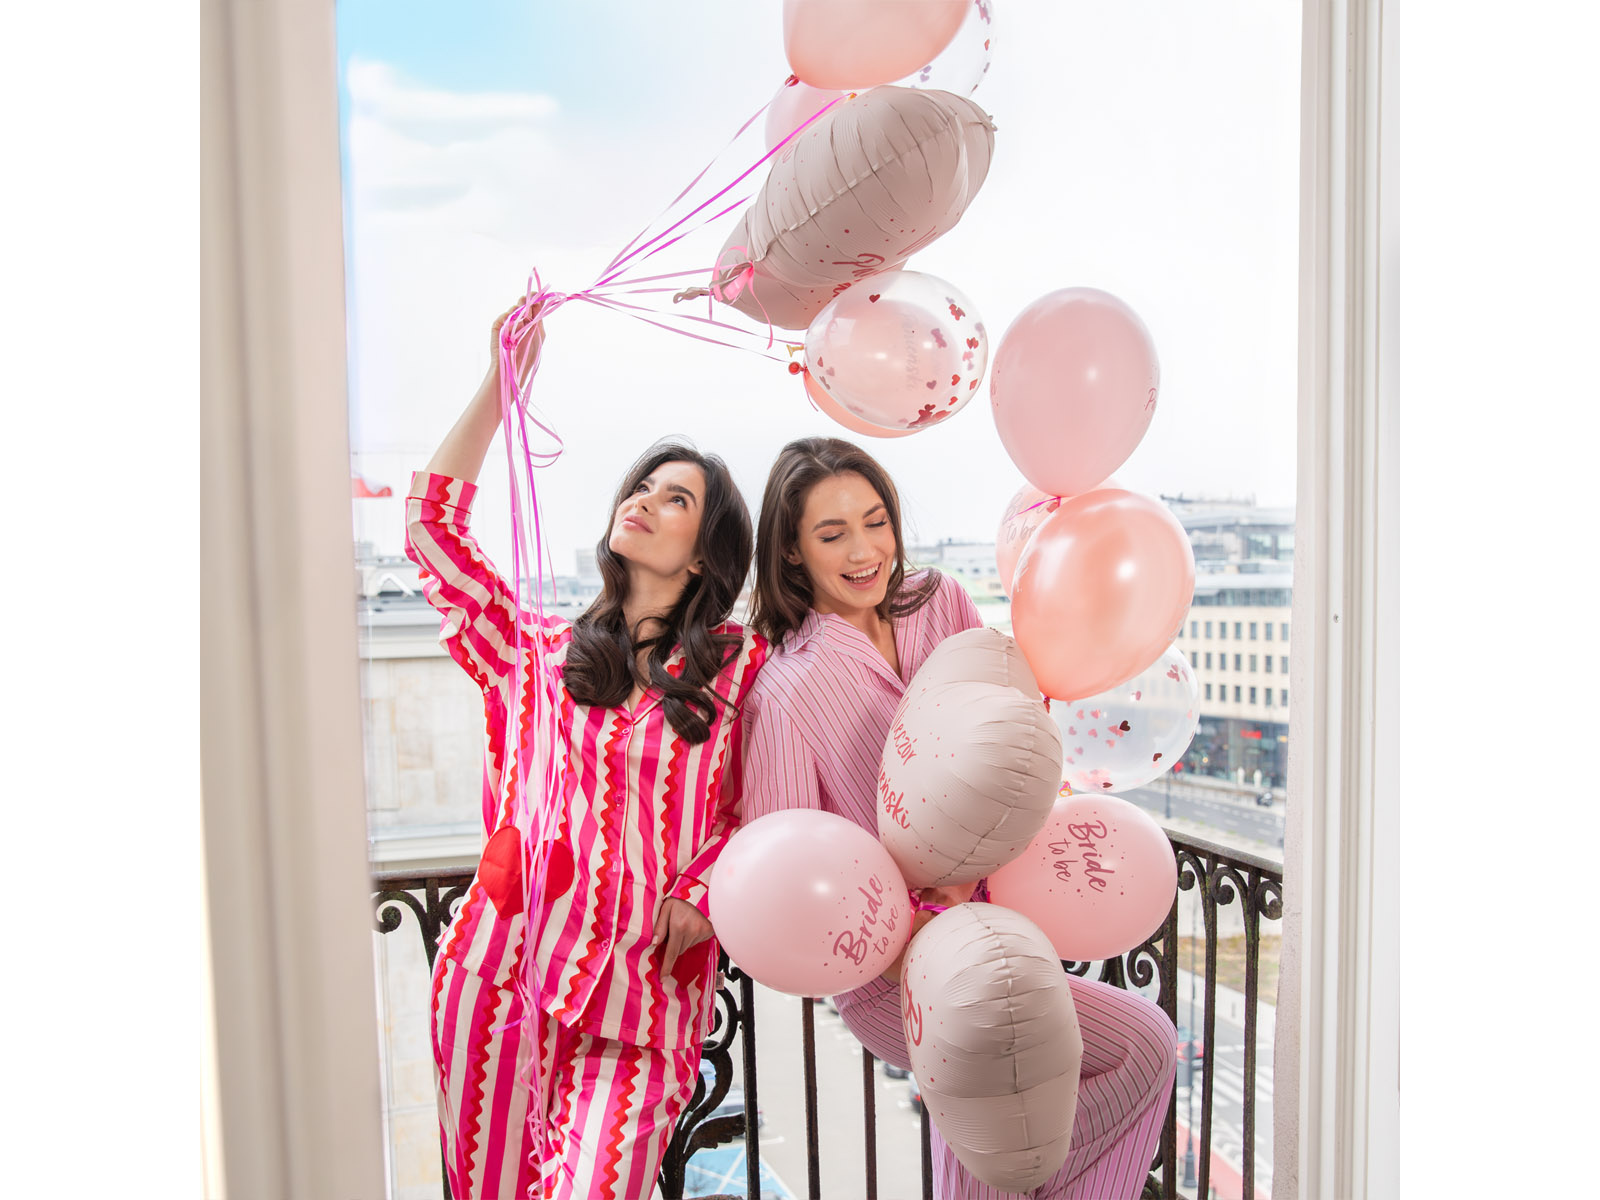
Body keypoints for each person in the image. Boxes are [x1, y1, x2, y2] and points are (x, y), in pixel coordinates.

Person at [739, 437, 1177, 1200]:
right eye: (832, 534)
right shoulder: (784, 691)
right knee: (1137, 1047)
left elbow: (1006, 714)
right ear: (791, 551)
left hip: (1007, 916)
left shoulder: (939, 600)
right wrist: (906, 944)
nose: (864, 551)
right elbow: (787, 875)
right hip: (892, 966)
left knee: (1015, 1127)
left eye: (876, 522)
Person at [405, 301, 768, 1200]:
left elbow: (765, 805)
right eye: (641, 487)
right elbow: (432, 530)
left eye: (675, 498)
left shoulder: (742, 669)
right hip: (501, 981)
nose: (643, 500)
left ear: (704, 555)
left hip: (644, 1002)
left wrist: (705, 889)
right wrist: (501, 386)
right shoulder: (532, 653)